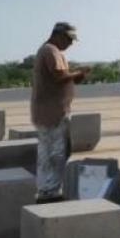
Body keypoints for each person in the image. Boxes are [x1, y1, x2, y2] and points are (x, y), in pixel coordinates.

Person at [31, 22, 88, 203]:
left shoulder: (54, 52)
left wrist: (75, 77)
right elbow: (58, 76)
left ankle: (48, 189)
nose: (70, 44)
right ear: (58, 35)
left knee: (51, 151)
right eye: (68, 39)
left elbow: (63, 78)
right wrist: (78, 73)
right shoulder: (50, 51)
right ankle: (49, 192)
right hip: (52, 112)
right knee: (55, 153)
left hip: (53, 111)